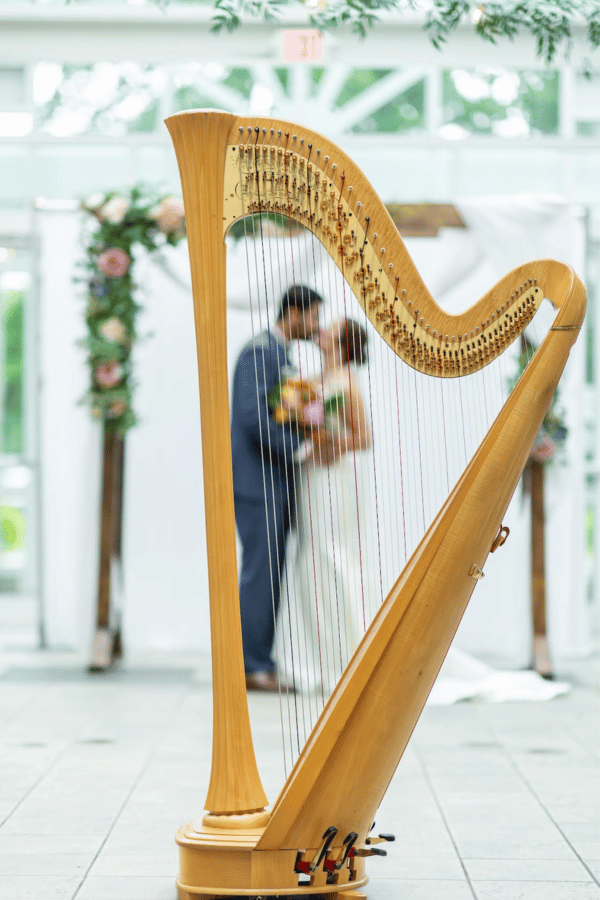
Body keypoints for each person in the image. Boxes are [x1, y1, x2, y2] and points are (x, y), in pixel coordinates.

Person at [231, 285, 323, 692]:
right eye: (314, 316)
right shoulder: (259, 352)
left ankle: (260, 660)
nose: (316, 325)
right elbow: (252, 417)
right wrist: (299, 447)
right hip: (258, 483)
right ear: (295, 311)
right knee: (260, 575)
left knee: (272, 574)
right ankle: (252, 666)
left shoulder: (280, 354)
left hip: (276, 482)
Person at [277, 317, 374, 696]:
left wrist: (333, 444)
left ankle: (351, 653)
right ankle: (320, 657)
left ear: (342, 342)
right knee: (310, 557)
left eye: (331, 327)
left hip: (336, 476)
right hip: (311, 475)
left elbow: (364, 437)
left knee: (335, 556)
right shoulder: (311, 379)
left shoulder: (347, 381)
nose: (322, 328)